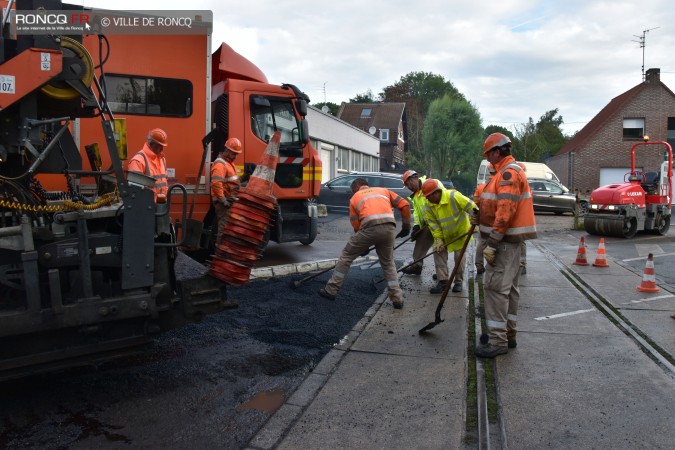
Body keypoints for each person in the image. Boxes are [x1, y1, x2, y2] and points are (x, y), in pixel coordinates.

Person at [474, 133, 537, 358]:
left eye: (489, 153)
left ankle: (498, 340)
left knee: (495, 289)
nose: (488, 159)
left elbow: (505, 210)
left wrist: (492, 242)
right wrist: (479, 215)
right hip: (510, 243)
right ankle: (508, 334)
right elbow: (494, 206)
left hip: (504, 244)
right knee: (509, 290)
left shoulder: (508, 173)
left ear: (497, 151)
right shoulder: (504, 172)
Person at [319, 177, 411, 308]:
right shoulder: (383, 191)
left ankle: (331, 290)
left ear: (356, 188)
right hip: (389, 228)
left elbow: (357, 226)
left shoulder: (355, 198)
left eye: (353, 190)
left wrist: (363, 246)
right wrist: (406, 227)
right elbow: (405, 205)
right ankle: (397, 299)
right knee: (388, 263)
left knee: (346, 256)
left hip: (369, 229)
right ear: (366, 185)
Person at [422, 178, 478, 294]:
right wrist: (439, 239)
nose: (427, 199)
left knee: (459, 259)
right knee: (438, 252)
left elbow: (471, 207)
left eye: (429, 196)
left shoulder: (453, 196)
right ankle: (443, 281)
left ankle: (458, 282)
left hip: (461, 234)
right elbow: (434, 225)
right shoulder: (428, 206)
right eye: (426, 196)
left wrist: (476, 220)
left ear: (436, 192)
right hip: (444, 236)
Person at [400, 169, 435, 276]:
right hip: (427, 225)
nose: (408, 187)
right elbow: (416, 212)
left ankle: (443, 276)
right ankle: (417, 266)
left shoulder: (429, 185)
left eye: (408, 184)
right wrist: (416, 226)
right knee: (419, 242)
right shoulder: (415, 195)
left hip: (438, 222)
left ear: (413, 180)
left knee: (439, 250)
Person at [210, 137, 242, 244]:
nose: (235, 156)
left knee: (227, 228)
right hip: (223, 202)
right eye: (234, 153)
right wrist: (223, 200)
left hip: (228, 200)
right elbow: (216, 184)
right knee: (224, 228)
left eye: (237, 154)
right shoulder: (220, 164)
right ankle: (220, 252)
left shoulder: (229, 163)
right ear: (227, 150)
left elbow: (231, 181)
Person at [127, 128, 169, 201]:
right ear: (151, 144)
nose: (162, 149)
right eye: (159, 145)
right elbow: (134, 190)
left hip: (160, 205)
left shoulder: (162, 159)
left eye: (163, 146)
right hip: (146, 207)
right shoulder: (138, 161)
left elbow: (164, 182)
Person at [473, 163, 496, 275]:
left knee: (481, 243)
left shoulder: (481, 187)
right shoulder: (500, 185)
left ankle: (479, 265)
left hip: (484, 221)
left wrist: (476, 218)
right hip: (497, 223)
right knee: (495, 245)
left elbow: (475, 205)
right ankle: (492, 266)